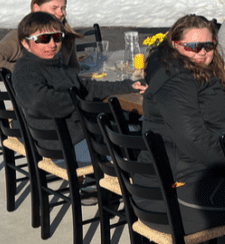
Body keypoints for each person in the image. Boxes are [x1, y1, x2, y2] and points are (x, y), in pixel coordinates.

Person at [141, 14, 225, 234]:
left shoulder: (200, 71)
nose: (201, 52)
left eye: (208, 45)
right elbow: (193, 139)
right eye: (193, 46)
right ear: (175, 45)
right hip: (171, 196)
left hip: (196, 176)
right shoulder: (174, 78)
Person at [11, 12, 144, 165]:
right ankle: (121, 183)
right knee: (142, 146)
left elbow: (85, 87)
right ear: (25, 43)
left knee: (134, 126)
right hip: (65, 147)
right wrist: (82, 105)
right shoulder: (25, 70)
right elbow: (38, 100)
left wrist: (128, 85)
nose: (52, 44)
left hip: (76, 134)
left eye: (57, 37)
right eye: (43, 39)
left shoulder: (56, 65)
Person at [0, 0, 81, 74]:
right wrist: (26, 70)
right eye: (54, 8)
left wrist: (66, 76)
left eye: (63, 8)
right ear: (36, 8)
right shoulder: (20, 36)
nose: (61, 13)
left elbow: (74, 67)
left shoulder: (66, 36)